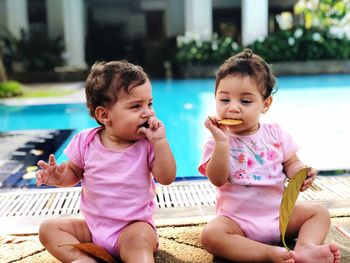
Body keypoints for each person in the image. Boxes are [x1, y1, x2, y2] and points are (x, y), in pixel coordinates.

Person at [198, 49, 341, 263]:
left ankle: (304, 248)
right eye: (224, 100)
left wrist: (301, 173)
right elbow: (217, 179)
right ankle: (268, 253)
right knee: (211, 235)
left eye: (245, 101)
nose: (233, 108)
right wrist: (221, 143)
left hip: (279, 217)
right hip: (238, 223)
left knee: (319, 212)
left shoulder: (275, 134)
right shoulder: (217, 140)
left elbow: (292, 163)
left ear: (265, 105)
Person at [35, 61, 176, 263]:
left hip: (133, 228)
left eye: (149, 104)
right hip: (92, 228)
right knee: (48, 229)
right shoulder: (86, 141)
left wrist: (160, 142)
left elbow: (167, 177)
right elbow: (73, 173)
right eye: (136, 106)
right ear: (104, 115)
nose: (148, 112)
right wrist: (58, 177)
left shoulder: (148, 144)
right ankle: (83, 259)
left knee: (138, 242)